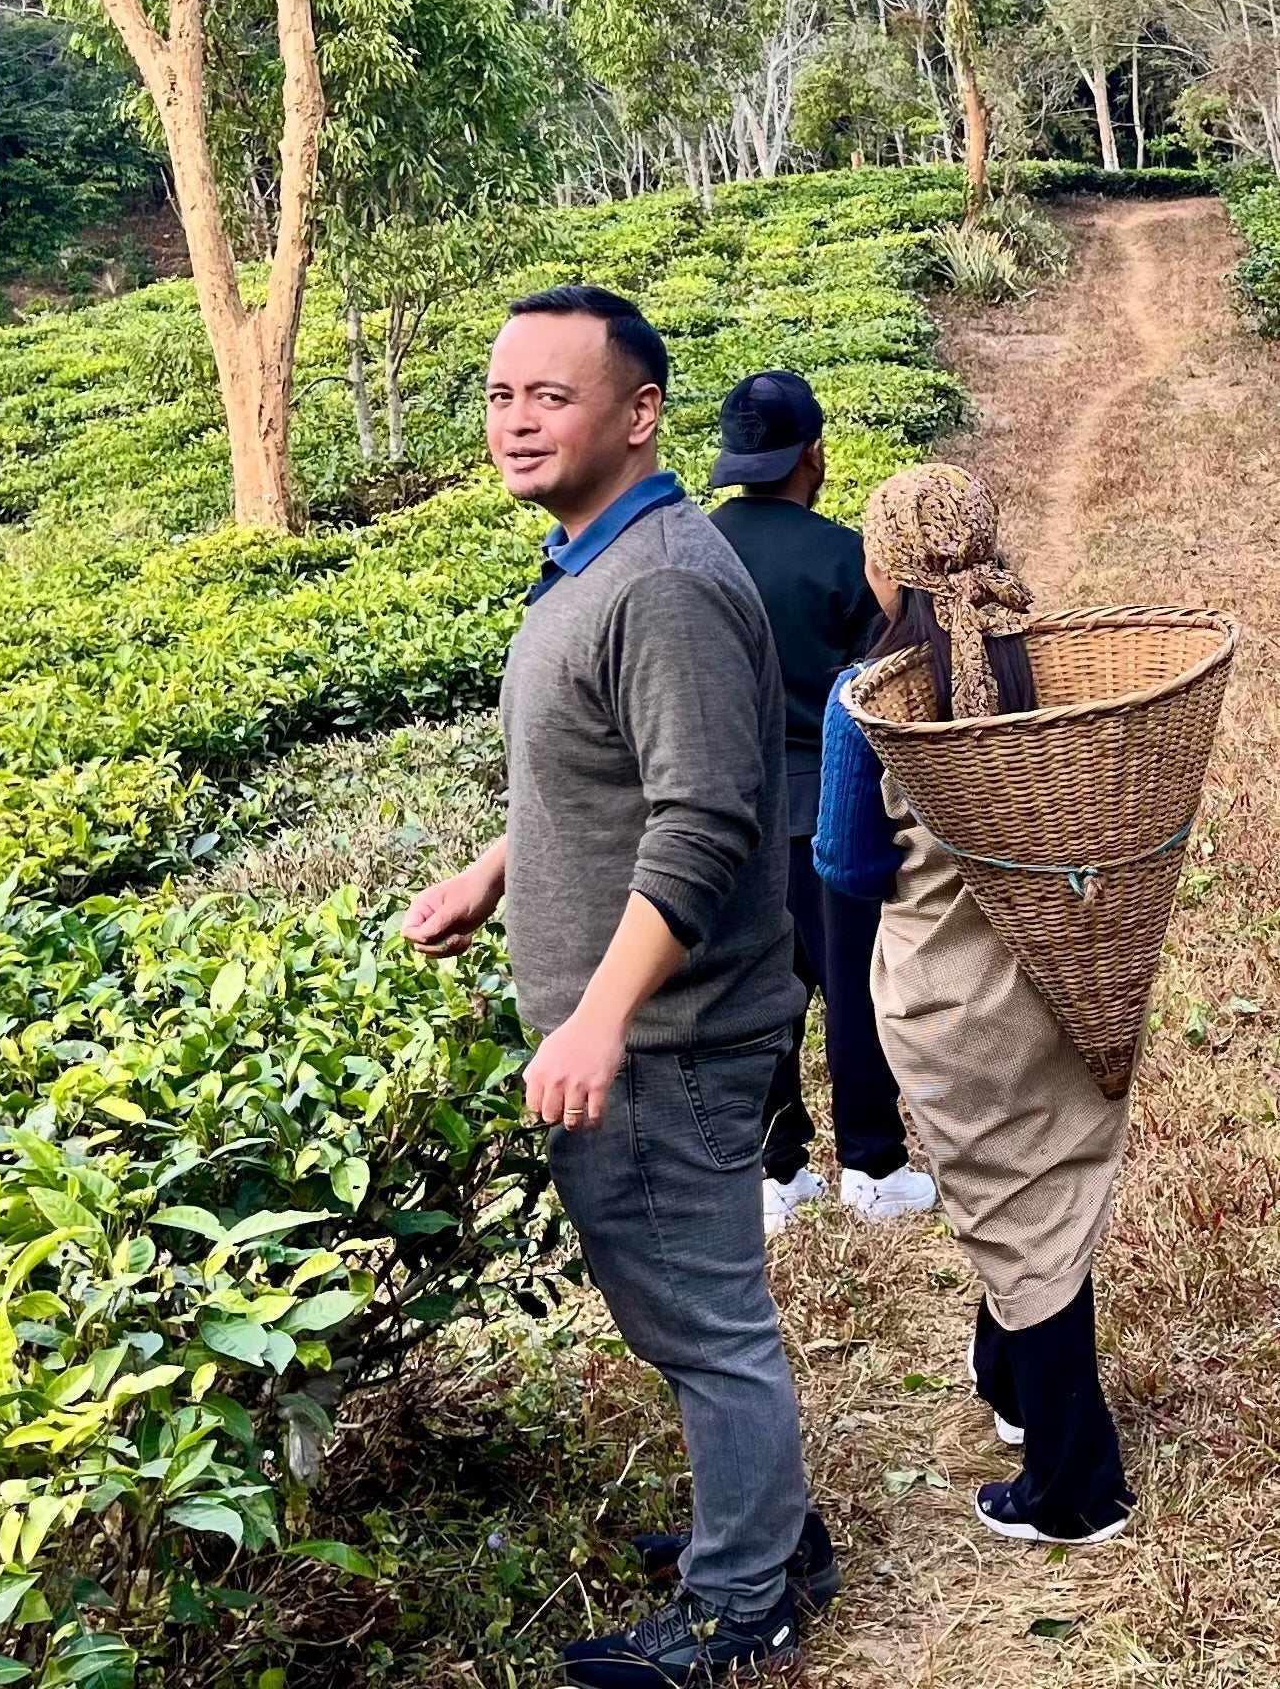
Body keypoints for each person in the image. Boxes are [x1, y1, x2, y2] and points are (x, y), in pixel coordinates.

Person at [402, 285, 836, 1683]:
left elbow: (703, 820)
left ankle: (745, 1599)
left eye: (552, 394)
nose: (516, 421)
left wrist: (597, 1011)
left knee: (702, 1325)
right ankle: (769, 1531)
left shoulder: (656, 584)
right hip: (640, 1025)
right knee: (684, 1311)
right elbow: (597, 776)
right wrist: (494, 870)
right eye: (497, 394)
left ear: (639, 414)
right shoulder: (595, 560)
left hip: (666, 1034)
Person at [814, 462, 1134, 1547]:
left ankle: (1074, 1488)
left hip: (953, 1000)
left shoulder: (866, 701)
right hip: (1070, 974)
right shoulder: (1066, 664)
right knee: (1040, 1192)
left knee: (1011, 1211)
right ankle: (1008, 1384)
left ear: (884, 564)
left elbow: (848, 867)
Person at [707, 371, 935, 1235]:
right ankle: (873, 1166)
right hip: (830, 804)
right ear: (814, 454)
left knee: (756, 993)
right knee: (854, 988)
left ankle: (776, 1174)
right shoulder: (848, 558)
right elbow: (878, 693)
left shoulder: (692, 552)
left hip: (723, 812)